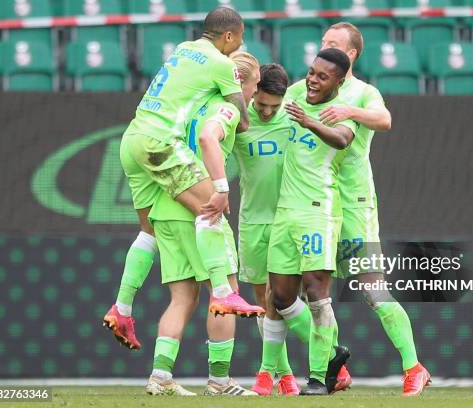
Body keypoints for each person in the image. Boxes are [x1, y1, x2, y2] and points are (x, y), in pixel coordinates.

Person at [103, 6, 262, 351]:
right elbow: (242, 116)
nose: (239, 44)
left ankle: (123, 307)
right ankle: (224, 293)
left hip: (132, 139)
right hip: (160, 142)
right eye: (240, 37)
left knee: (148, 231)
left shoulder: (182, 49)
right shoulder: (223, 66)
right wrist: (222, 187)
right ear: (230, 36)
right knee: (211, 208)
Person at [299, 22, 430, 396]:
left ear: (351, 53)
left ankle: (414, 366)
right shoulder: (310, 86)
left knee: (373, 290)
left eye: (332, 43)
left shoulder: (362, 92)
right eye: (322, 40)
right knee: (313, 291)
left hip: (354, 202)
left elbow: (385, 120)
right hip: (314, 204)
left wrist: (349, 112)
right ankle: (333, 369)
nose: (323, 46)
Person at [145, 51, 261, 396]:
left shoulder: (190, 103)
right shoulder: (225, 108)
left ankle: (160, 377)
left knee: (181, 299)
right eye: (253, 86)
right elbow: (210, 138)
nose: (252, 96)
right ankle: (220, 381)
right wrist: (222, 188)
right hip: (202, 207)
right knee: (225, 293)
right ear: (242, 82)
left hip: (167, 206)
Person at [266, 48, 357, 396]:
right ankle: (333, 352)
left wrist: (310, 122)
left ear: (339, 80)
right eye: (311, 72)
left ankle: (320, 376)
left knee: (317, 293)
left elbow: (343, 139)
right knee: (282, 297)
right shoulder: (293, 94)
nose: (313, 80)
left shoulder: (340, 111)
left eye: (322, 76)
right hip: (285, 212)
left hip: (318, 210)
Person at [231, 64, 300, 395]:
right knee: (263, 300)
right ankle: (284, 375)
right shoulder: (239, 122)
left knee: (284, 298)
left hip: (288, 220)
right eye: (262, 104)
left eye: (275, 105)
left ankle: (267, 372)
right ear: (253, 94)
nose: (269, 111)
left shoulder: (294, 118)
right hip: (253, 221)